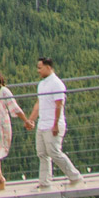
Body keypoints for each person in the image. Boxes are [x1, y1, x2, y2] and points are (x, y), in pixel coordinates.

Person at [24, 56, 82, 191]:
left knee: (54, 152)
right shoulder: (42, 84)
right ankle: (44, 182)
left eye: (40, 68)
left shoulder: (57, 83)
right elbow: (38, 103)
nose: (38, 71)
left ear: (48, 67)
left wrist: (55, 124)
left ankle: (74, 176)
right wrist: (31, 119)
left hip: (52, 124)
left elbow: (59, 105)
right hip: (42, 124)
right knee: (42, 153)